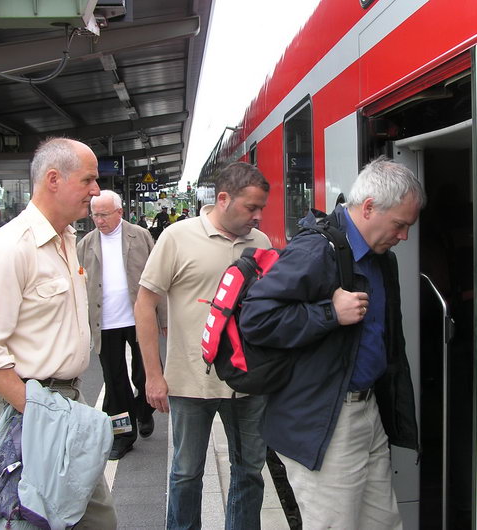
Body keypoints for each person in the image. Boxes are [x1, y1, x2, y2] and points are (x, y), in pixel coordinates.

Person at [239, 156, 424, 529]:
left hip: (366, 412)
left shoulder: (380, 257)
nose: (404, 236)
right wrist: (329, 313)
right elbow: (255, 319)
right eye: (400, 225)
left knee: (384, 522)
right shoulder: (317, 250)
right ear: (370, 207)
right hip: (327, 418)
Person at [0, 137, 117, 527]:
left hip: (66, 403)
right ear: (54, 179)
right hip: (33, 407)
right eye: (88, 180)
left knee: (93, 518)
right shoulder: (10, 249)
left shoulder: (65, 240)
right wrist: (40, 414)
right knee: (29, 519)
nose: (95, 190)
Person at [134, 161, 271, 529]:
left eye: (262, 209)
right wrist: (153, 376)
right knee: (186, 473)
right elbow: (145, 303)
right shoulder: (177, 237)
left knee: (249, 471)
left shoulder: (261, 243)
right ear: (223, 199)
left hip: (247, 382)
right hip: (190, 381)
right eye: (251, 208)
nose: (258, 217)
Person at [77, 190, 166, 460]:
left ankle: (143, 410)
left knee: (145, 374)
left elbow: (157, 279)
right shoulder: (86, 244)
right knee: (114, 382)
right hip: (105, 323)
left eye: (104, 214)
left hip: (139, 318)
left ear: (120, 212)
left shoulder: (140, 237)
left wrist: (163, 318)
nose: (99, 220)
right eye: (95, 215)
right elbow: (79, 286)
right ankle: (124, 435)